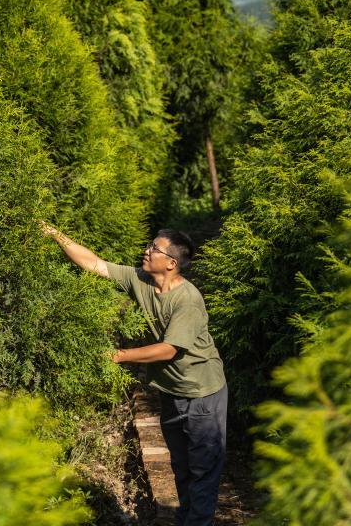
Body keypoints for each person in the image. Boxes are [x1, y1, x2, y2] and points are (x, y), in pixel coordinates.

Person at [41, 221, 227, 526]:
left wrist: (119, 356)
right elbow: (95, 264)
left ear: (171, 263)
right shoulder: (141, 279)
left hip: (203, 394)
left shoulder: (187, 299)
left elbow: (169, 349)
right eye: (150, 245)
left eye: (155, 248)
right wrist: (55, 235)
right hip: (171, 390)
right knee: (180, 465)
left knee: (203, 470)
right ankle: (186, 519)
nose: (147, 250)